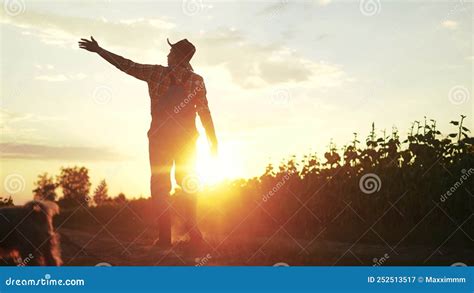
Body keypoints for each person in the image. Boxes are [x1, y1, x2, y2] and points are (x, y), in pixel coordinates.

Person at [78, 36, 218, 247]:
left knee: (160, 186)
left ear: (178, 57)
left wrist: (100, 51)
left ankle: (164, 239)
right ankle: (194, 233)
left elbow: (127, 65)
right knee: (189, 183)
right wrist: (213, 141)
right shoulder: (197, 81)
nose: (167, 54)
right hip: (187, 141)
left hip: (160, 139)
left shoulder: (156, 73)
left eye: (171, 52)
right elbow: (204, 113)